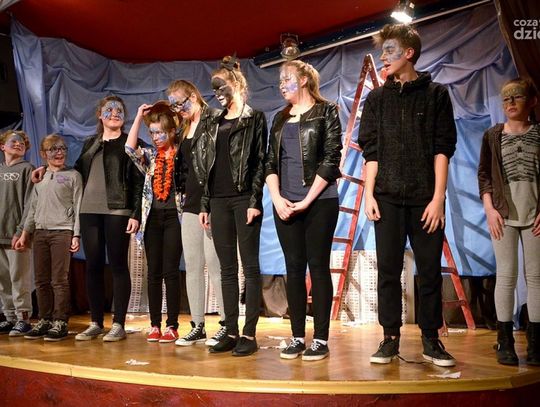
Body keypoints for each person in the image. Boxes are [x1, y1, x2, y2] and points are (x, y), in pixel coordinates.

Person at [358, 23, 457, 367]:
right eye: (383, 51)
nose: (384, 57)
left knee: (429, 271)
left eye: (390, 50)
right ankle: (390, 337)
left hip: (425, 197)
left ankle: (431, 339)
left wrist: (438, 197)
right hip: (386, 197)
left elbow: (443, 148)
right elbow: (371, 151)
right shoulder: (376, 99)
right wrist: (369, 194)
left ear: (409, 52)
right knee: (388, 270)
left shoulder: (436, 94)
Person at [265, 60, 342, 361]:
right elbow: (270, 162)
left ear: (304, 80)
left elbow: (332, 157)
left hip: (319, 201)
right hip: (285, 203)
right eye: (279, 80)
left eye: (287, 78)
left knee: (318, 266)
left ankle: (320, 339)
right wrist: (276, 198)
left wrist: (308, 199)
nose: (281, 85)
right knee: (293, 269)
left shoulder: (326, 111)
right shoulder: (279, 118)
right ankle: (297, 337)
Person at [198, 56, 267, 356]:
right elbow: (206, 165)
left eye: (221, 86)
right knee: (227, 269)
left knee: (250, 267)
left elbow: (260, 162)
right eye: (214, 89)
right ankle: (231, 330)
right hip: (218, 200)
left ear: (237, 84)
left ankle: (249, 334)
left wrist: (254, 200)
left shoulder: (254, 118)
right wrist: (205, 203)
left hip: (243, 198)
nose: (217, 94)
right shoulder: (213, 120)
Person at [68, 96, 143, 342]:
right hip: (89, 210)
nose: (114, 113)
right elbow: (76, 174)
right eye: (109, 110)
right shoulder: (91, 143)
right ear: (100, 115)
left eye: (119, 110)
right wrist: (47, 171)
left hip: (118, 210)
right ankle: (96, 322)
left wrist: (136, 213)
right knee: (93, 265)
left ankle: (118, 323)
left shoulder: (131, 142)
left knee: (118, 265)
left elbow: (139, 181)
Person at [478, 77, 540, 366]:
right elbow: (484, 174)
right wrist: (489, 208)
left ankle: (536, 342)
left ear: (532, 101)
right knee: (506, 275)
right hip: (503, 214)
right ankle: (505, 340)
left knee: (536, 277)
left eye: (517, 97)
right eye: (506, 98)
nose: (511, 103)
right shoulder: (493, 136)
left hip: (534, 215)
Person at [166, 80, 227, 347]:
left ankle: (226, 324)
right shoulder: (183, 128)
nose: (179, 109)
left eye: (181, 103)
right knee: (192, 265)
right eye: (174, 106)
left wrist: (210, 202)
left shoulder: (214, 119)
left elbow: (219, 164)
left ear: (193, 96)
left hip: (211, 201)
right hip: (190, 204)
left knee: (215, 265)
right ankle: (198, 325)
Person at [16, 134, 83, 341]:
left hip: (62, 231)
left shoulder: (73, 176)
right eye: (53, 149)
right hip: (40, 232)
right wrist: (25, 233)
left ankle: (60, 321)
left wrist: (76, 234)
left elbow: (78, 205)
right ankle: (44, 319)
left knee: (59, 280)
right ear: (44, 154)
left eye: (62, 148)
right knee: (41, 280)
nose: (59, 153)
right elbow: (32, 208)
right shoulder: (40, 176)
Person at [125, 101, 182, 344]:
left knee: (171, 271)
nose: (156, 137)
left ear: (171, 132)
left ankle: (172, 326)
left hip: (175, 218)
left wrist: (176, 113)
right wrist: (139, 115)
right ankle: (155, 324)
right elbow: (129, 148)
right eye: (153, 133)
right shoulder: (150, 156)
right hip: (153, 219)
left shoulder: (181, 153)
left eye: (161, 132)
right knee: (154, 272)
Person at [0, 130, 34, 337]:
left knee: (18, 278)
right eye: (13, 141)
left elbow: (30, 204)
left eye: (22, 142)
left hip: (17, 235)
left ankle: (23, 319)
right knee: (3, 279)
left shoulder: (27, 169)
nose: (18, 144)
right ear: (2, 146)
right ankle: (10, 317)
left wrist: (22, 231)